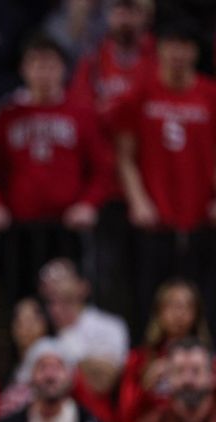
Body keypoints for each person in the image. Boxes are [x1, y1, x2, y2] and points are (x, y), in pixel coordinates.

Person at [0, 35, 114, 304]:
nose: (44, 73)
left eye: (50, 66)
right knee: (20, 303)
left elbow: (103, 170)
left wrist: (88, 204)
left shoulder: (81, 114)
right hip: (18, 230)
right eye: (36, 65)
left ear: (63, 70)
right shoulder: (7, 117)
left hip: (66, 229)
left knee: (65, 303)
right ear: (23, 70)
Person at [114, 20, 216, 333]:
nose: (178, 53)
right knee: (150, 297)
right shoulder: (138, 95)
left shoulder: (210, 94)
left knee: (206, 298)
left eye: (185, 46)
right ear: (158, 50)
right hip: (155, 217)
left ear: (196, 52)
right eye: (171, 45)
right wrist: (139, 201)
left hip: (202, 217)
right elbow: (125, 155)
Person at [37, 258, 129, 422]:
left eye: (62, 278)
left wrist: (74, 357)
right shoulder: (41, 333)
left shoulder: (109, 326)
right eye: (50, 296)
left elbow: (104, 383)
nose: (55, 285)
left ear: (82, 287)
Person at [119, 279, 212, 422]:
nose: (179, 313)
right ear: (158, 312)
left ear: (196, 314)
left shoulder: (208, 361)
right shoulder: (139, 360)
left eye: (187, 306)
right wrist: (145, 388)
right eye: (172, 306)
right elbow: (125, 419)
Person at [69, 0, 155, 121]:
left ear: (145, 18)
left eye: (131, 13)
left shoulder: (158, 58)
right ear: (109, 17)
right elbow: (80, 102)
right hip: (103, 133)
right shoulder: (93, 60)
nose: (124, 20)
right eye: (119, 13)